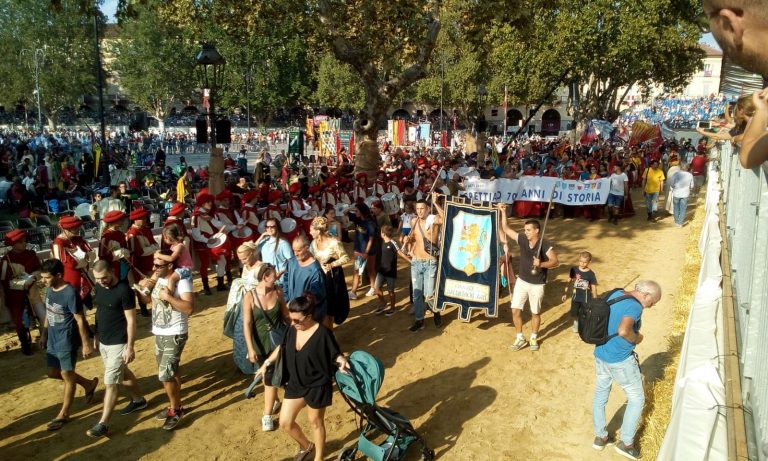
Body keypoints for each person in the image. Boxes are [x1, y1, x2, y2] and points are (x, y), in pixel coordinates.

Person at [256, 293, 350, 461]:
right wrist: (267, 363)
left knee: (315, 422)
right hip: (295, 383)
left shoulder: (323, 334)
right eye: (291, 319)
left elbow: (335, 354)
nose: (293, 323)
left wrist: (341, 360)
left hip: (317, 385)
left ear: (309, 316)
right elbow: (282, 347)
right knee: (285, 422)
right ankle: (307, 446)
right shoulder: (292, 329)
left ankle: (319, 458)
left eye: (298, 320)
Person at [592, 280, 662, 460]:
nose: (652, 306)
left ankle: (601, 437)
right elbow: (624, 330)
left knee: (601, 394)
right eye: (653, 302)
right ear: (646, 295)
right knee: (637, 398)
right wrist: (637, 338)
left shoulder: (617, 293)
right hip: (620, 360)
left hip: (600, 354)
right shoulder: (635, 307)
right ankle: (626, 443)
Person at [86, 260, 147, 438]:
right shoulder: (98, 288)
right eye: (97, 278)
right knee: (124, 373)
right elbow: (99, 313)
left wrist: (130, 346)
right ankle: (138, 400)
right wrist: (96, 335)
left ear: (112, 272)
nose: (101, 281)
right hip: (104, 341)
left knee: (111, 382)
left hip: (119, 343)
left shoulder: (124, 290)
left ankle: (103, 423)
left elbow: (131, 321)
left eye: (104, 277)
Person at [137, 250, 195, 431]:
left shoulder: (182, 282)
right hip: (159, 332)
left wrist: (169, 297)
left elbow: (189, 308)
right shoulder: (157, 279)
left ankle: (176, 409)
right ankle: (174, 405)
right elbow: (147, 300)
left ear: (170, 265)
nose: (154, 268)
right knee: (172, 371)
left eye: (158, 266)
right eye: (153, 265)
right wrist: (143, 288)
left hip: (175, 332)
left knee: (165, 374)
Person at [38, 259, 98, 431]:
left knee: (66, 373)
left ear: (58, 275)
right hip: (52, 339)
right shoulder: (49, 290)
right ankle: (88, 384)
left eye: (46, 277)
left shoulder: (70, 293)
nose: (43, 281)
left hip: (67, 339)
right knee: (53, 373)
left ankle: (64, 414)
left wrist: (86, 343)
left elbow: (80, 319)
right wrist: (44, 334)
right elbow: (49, 314)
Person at [497, 205, 560, 351]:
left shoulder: (545, 244)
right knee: (515, 310)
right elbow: (506, 229)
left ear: (536, 231)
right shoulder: (523, 240)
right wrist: (503, 212)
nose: (525, 233)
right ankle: (520, 337)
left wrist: (541, 263)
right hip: (522, 281)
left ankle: (533, 337)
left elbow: (555, 262)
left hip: (537, 284)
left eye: (528, 230)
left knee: (535, 312)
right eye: (525, 230)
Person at [243, 263, 289, 432]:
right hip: (260, 343)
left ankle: (267, 414)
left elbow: (285, 315)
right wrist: (250, 348)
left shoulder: (278, 292)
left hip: (278, 343)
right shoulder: (249, 296)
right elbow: (247, 324)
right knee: (267, 376)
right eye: (274, 276)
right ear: (264, 277)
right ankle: (274, 401)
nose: (276, 278)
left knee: (269, 376)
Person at [0, 229, 44, 355]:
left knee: (42, 315)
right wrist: (18, 283)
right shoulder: (6, 259)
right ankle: (25, 344)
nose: (24, 244)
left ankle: (45, 338)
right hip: (15, 296)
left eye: (25, 241)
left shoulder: (31, 254)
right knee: (20, 321)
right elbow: (4, 280)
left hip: (33, 291)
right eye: (20, 242)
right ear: (13, 244)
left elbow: (39, 269)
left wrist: (33, 277)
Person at [404, 198, 443, 332]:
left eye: (422, 209)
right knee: (417, 294)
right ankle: (419, 320)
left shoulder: (434, 220)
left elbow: (445, 218)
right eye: (418, 209)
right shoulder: (414, 221)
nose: (420, 211)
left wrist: (436, 203)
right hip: (416, 261)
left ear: (427, 209)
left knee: (429, 294)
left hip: (430, 261)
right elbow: (414, 237)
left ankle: (436, 312)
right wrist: (408, 239)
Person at [308, 217, 350, 328]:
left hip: (332, 278)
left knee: (330, 305)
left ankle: (329, 330)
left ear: (318, 231)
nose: (309, 232)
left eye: (311, 230)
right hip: (318, 278)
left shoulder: (334, 242)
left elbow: (346, 258)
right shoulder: (313, 243)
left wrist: (331, 265)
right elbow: (311, 258)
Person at [228, 242, 263, 374]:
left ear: (252, 254)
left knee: (254, 333)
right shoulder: (246, 267)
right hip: (244, 303)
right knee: (240, 335)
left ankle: (256, 365)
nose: (242, 262)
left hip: (257, 304)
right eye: (240, 259)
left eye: (245, 258)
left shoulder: (261, 267)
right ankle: (243, 363)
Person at [51, 215, 96, 309]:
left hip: (84, 275)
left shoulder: (78, 238)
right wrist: (84, 259)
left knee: (86, 304)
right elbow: (66, 263)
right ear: (66, 229)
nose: (77, 231)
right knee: (75, 304)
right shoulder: (58, 243)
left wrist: (85, 258)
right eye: (75, 229)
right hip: (70, 279)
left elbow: (91, 253)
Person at [284, 236, 327, 323]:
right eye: (294, 250)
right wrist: (286, 301)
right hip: (292, 311)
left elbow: (316, 296)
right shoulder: (292, 262)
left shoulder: (315, 271)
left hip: (306, 316)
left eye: (298, 250)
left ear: (307, 248)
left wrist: (301, 310)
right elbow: (285, 282)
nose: (295, 254)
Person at [126, 208, 159, 315]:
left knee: (153, 284)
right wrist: (152, 248)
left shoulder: (146, 229)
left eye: (145, 217)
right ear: (135, 220)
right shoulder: (132, 234)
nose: (145, 220)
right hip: (139, 264)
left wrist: (150, 248)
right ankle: (143, 308)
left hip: (150, 262)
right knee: (141, 286)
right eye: (142, 218)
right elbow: (138, 252)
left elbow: (155, 245)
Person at [346, 203, 378, 300]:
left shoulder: (370, 223)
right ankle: (354, 291)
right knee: (357, 270)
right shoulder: (357, 219)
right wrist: (353, 207)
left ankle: (372, 288)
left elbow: (371, 239)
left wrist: (366, 253)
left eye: (357, 211)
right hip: (359, 250)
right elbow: (345, 212)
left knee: (370, 269)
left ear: (362, 211)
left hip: (369, 251)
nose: (355, 212)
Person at [375, 225, 410, 316]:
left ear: (383, 233)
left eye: (381, 232)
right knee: (376, 288)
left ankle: (393, 308)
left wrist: (410, 261)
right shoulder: (381, 242)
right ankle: (383, 303)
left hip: (390, 272)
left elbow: (400, 253)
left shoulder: (392, 243)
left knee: (391, 291)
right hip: (381, 271)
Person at [561, 251, 598, 333]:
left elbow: (594, 287)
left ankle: (582, 326)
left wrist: (595, 300)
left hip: (585, 298)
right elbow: (569, 280)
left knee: (584, 313)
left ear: (589, 262)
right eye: (581, 261)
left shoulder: (591, 274)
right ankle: (576, 322)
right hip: (575, 297)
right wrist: (565, 293)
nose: (582, 264)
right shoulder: (574, 270)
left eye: (585, 262)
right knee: (574, 313)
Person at [154, 225, 193, 294]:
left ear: (170, 238)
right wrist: (159, 252)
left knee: (171, 279)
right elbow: (168, 255)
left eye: (165, 238)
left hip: (184, 268)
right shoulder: (173, 246)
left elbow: (171, 258)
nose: (164, 239)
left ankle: (169, 295)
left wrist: (159, 255)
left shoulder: (180, 246)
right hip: (179, 268)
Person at [256, 217, 294, 287]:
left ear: (277, 227)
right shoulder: (264, 241)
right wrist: (261, 236)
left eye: (272, 226)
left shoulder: (283, 243)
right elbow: (252, 251)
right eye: (267, 227)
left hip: (280, 281)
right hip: (266, 279)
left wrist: (280, 273)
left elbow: (292, 262)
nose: (269, 229)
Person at [669, 163, 694, 228]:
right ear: (687, 168)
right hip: (685, 194)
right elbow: (692, 186)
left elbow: (671, 183)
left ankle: (676, 221)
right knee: (683, 208)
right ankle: (680, 223)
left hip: (676, 193)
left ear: (680, 167)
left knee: (676, 208)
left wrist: (674, 187)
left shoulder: (676, 174)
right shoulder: (690, 175)